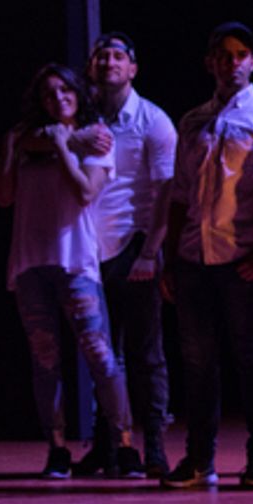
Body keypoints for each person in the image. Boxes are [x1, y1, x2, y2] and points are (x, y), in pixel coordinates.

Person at [0, 63, 140, 479]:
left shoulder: (97, 139)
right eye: (49, 94)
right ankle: (57, 448)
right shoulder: (25, 139)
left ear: (79, 94)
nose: (58, 99)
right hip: (30, 261)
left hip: (74, 259)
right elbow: (3, 196)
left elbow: (85, 192)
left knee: (99, 353)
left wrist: (62, 147)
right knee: (45, 359)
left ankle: (124, 443)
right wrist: (12, 145)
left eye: (65, 92)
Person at [161, 22, 253, 488]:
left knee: (251, 359)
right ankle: (199, 459)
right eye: (223, 55)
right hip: (196, 256)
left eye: (241, 54)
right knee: (197, 362)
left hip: (244, 258)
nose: (232, 62)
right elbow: (179, 195)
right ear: (210, 63)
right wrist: (169, 259)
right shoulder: (193, 120)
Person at [70, 32, 177, 478]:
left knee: (145, 352)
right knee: (99, 353)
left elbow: (167, 192)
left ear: (133, 68)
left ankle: (152, 444)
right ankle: (108, 445)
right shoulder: (79, 119)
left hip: (133, 245)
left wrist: (151, 252)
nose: (109, 61)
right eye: (101, 55)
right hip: (86, 248)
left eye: (118, 56)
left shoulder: (153, 121)